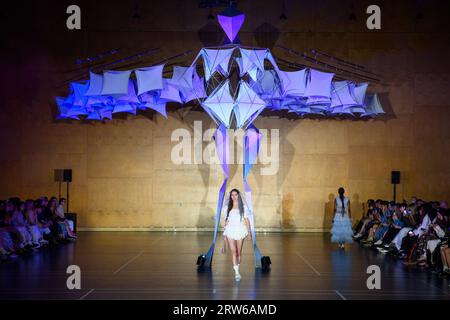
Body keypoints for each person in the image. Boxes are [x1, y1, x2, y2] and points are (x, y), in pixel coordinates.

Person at [222, 189, 251, 281]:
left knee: (238, 252)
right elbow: (224, 222)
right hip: (230, 230)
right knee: (233, 252)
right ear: (230, 196)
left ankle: (237, 266)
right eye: (232, 195)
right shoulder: (227, 207)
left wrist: (249, 233)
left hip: (240, 230)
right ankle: (237, 272)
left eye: (235, 195)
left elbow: (247, 220)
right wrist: (225, 223)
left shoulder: (243, 207)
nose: (234, 197)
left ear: (238, 195)